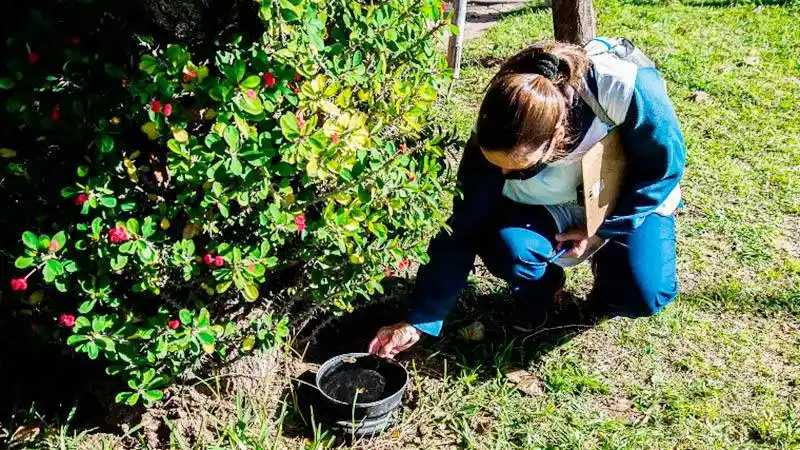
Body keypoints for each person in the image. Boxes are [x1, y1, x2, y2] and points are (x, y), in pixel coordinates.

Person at [368, 38, 686, 358]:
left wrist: (601, 231)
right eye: (498, 168)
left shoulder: (624, 89)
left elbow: (663, 169)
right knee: (509, 249)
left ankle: (609, 288)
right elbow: (462, 231)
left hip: (623, 194)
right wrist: (419, 320)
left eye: (518, 170)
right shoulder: (497, 132)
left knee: (644, 292)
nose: (502, 177)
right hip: (551, 204)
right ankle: (546, 290)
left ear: (557, 137)